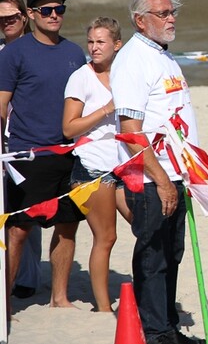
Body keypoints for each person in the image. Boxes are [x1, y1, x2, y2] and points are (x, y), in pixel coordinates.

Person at [111, 0, 202, 344]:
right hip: (150, 179)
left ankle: (168, 328)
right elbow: (130, 131)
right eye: (162, 13)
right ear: (140, 20)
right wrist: (162, 181)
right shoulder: (133, 59)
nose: (171, 19)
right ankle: (156, 333)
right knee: (153, 257)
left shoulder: (162, 56)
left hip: (177, 175)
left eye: (172, 12)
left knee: (172, 253)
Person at [0, 0, 87, 307]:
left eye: (59, 9)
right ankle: (4, 302)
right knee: (19, 231)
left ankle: (60, 298)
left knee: (67, 226)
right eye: (47, 10)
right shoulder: (14, 53)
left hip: (68, 153)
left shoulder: (73, 52)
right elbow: (1, 106)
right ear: (32, 14)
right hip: (27, 154)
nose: (54, 15)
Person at [62, 17, 132, 312]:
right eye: (90, 41)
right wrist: (106, 109)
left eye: (101, 42)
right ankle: (103, 308)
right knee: (106, 237)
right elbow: (68, 128)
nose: (94, 47)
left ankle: (147, 294)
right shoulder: (81, 76)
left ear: (117, 45)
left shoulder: (125, 74)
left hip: (124, 165)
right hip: (91, 169)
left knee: (144, 225)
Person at [0, 0, 41, 299]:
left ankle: (27, 279)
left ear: (24, 17)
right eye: (1, 20)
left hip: (28, 141)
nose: (6, 24)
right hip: (4, 137)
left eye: (11, 18)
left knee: (27, 214)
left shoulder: (38, 49)